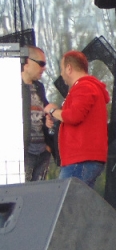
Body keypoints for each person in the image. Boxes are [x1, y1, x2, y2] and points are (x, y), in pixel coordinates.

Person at [45, 51, 110, 189]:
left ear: (69, 68)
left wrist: (52, 111)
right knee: (81, 201)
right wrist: (56, 118)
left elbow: (74, 116)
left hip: (80, 159)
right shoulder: (87, 87)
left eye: (62, 69)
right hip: (85, 159)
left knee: (66, 200)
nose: (61, 74)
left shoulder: (84, 87)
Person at [21, 46, 56, 181]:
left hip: (42, 151)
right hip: (25, 153)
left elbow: (45, 113)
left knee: (38, 190)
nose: (44, 68)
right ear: (27, 62)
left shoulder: (39, 87)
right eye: (41, 63)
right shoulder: (12, 86)